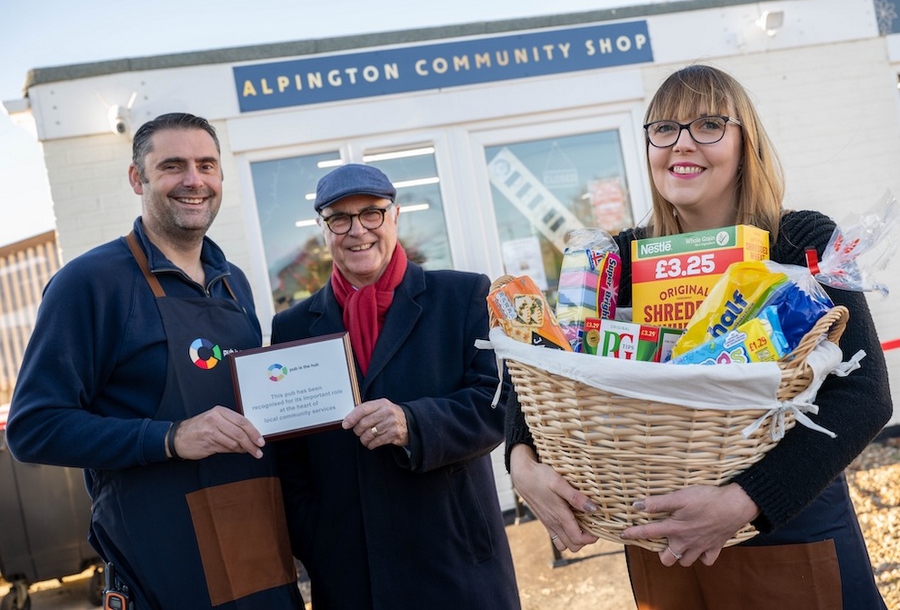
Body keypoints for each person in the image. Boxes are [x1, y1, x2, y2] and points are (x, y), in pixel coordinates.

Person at [505, 64, 893, 609]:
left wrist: (746, 501)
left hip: (788, 527)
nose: (681, 144)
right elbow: (541, 353)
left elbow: (865, 396)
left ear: (745, 142)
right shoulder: (614, 258)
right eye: (664, 129)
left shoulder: (799, 240)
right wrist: (521, 462)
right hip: (660, 539)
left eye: (708, 124)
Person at [6, 113, 304, 609]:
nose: (194, 180)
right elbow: (33, 428)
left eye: (206, 165)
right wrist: (170, 437)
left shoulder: (233, 281)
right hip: (164, 562)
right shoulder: (90, 284)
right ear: (136, 178)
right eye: (173, 166)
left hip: (257, 547)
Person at [272, 163, 520, 610]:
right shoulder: (291, 326)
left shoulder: (461, 297)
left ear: (396, 216)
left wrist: (413, 423)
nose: (357, 231)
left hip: (455, 559)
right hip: (353, 571)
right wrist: (315, 538)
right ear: (322, 230)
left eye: (371, 213)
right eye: (339, 219)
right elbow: (288, 455)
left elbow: (497, 403)